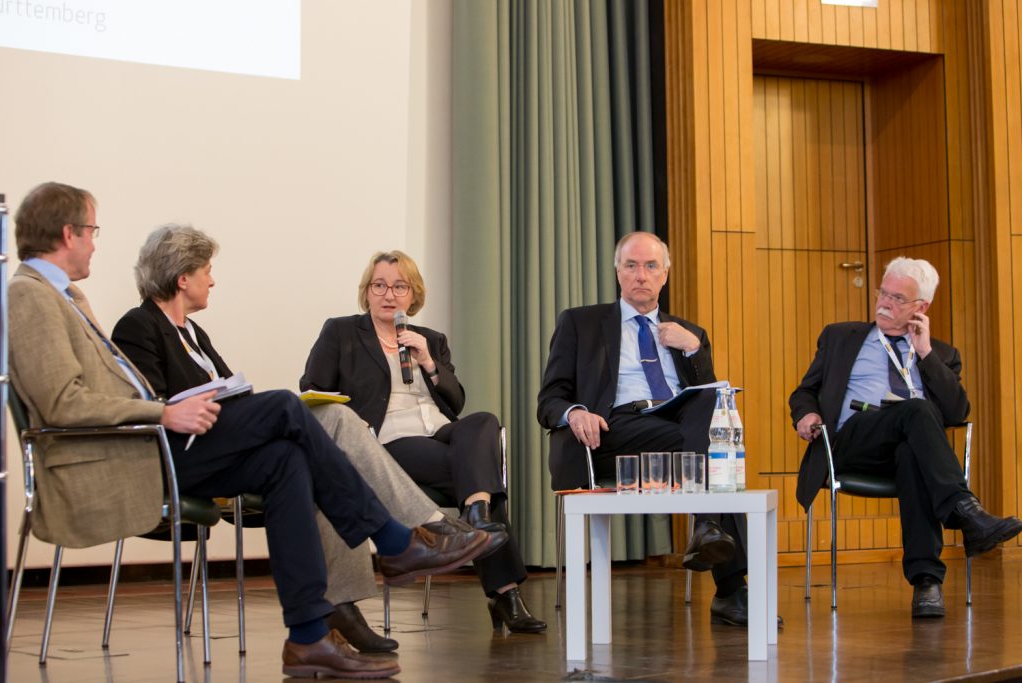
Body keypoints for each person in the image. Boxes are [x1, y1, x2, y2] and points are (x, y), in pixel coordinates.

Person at [8, 182, 496, 679]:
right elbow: (61, 402)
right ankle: (395, 540)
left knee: (291, 459)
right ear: (68, 233)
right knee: (291, 409)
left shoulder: (70, 297)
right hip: (149, 451)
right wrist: (162, 413)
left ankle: (309, 635)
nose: (95, 241)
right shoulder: (31, 296)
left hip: (185, 441)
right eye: (91, 231)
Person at [110, 224, 500, 654]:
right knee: (289, 408)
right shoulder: (138, 326)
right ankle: (406, 536)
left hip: (221, 446)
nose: (212, 279)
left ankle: (335, 610)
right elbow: (151, 405)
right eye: (206, 270)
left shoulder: (192, 332)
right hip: (183, 456)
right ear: (183, 277)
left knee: (315, 446)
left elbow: (229, 390)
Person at [300, 250, 547, 634]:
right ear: (366, 292)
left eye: (400, 286)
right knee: (482, 481)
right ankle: (505, 592)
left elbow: (456, 402)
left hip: (441, 431)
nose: (389, 294)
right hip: (390, 439)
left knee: (482, 422)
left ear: (413, 295)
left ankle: (474, 518)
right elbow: (312, 389)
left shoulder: (430, 338)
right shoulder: (342, 331)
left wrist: (429, 362)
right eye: (379, 285)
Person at [537, 231, 759, 627]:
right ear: (618, 272)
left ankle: (711, 532)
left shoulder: (688, 332)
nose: (641, 275)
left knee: (713, 405)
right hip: (610, 429)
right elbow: (549, 397)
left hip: (674, 427)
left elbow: (707, 400)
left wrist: (693, 350)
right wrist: (574, 413)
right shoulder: (580, 322)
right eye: (632, 266)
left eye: (651, 266)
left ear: (665, 274)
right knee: (717, 454)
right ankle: (727, 583)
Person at [790, 256, 1022, 618]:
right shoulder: (841, 337)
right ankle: (966, 511)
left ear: (921, 307)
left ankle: (926, 582)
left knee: (913, 449)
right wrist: (807, 413)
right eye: (884, 293)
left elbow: (958, 412)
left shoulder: (941, 354)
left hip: (910, 451)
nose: (885, 302)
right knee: (917, 409)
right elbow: (805, 391)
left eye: (898, 299)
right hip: (853, 442)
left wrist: (925, 352)